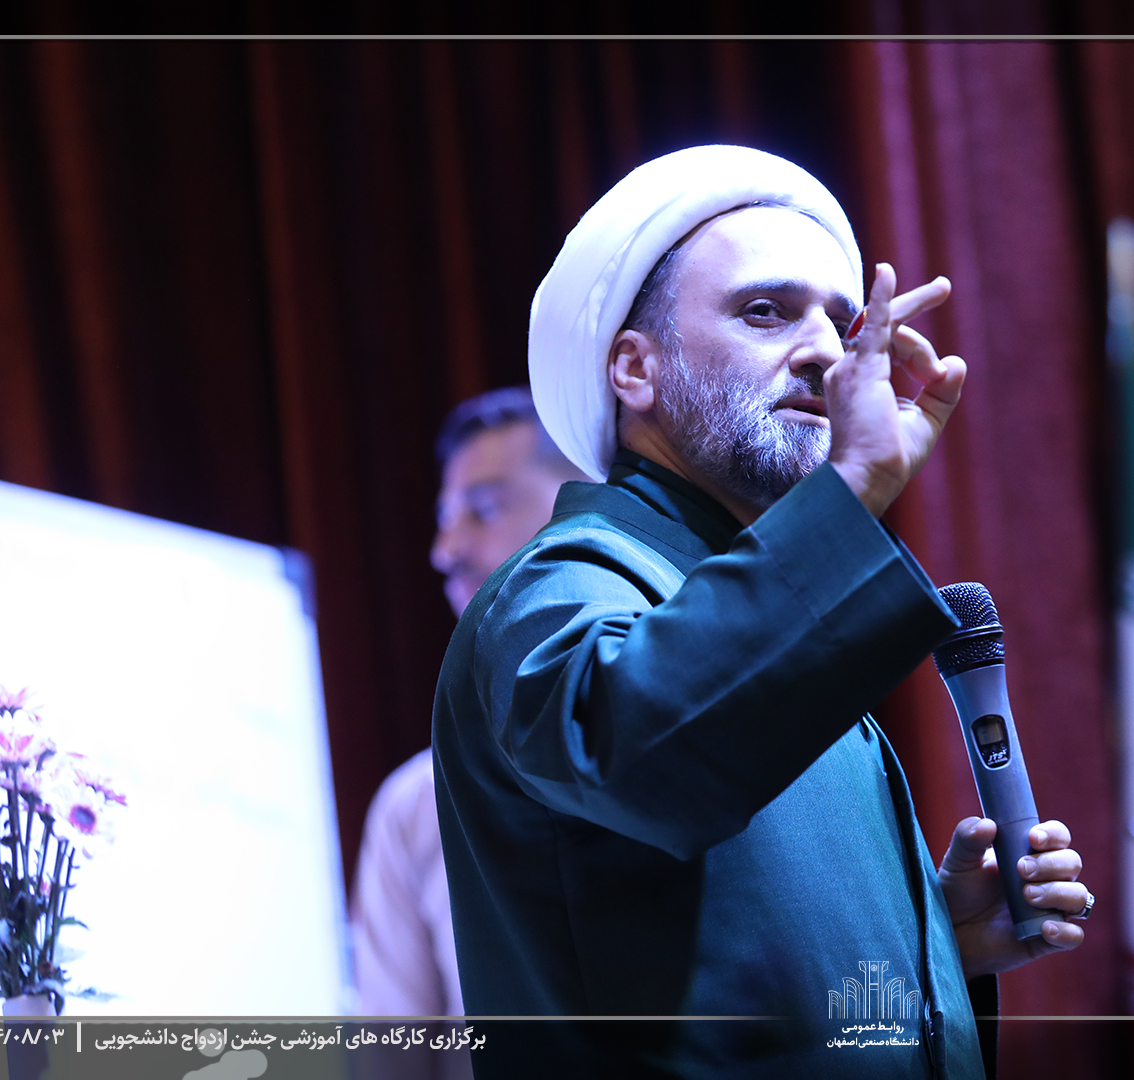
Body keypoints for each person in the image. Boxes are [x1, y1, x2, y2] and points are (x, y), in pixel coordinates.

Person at [433, 145, 1092, 1079]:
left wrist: (931, 950)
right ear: (634, 368)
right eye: (766, 312)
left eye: (842, 323)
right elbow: (638, 756)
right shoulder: (563, 583)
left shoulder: (775, 613)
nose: (826, 354)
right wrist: (853, 486)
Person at [351, 387, 586, 1020]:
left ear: (583, 502)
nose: (445, 549)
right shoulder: (416, 806)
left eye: (483, 509)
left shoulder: (690, 729)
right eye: (445, 516)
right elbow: (395, 1052)